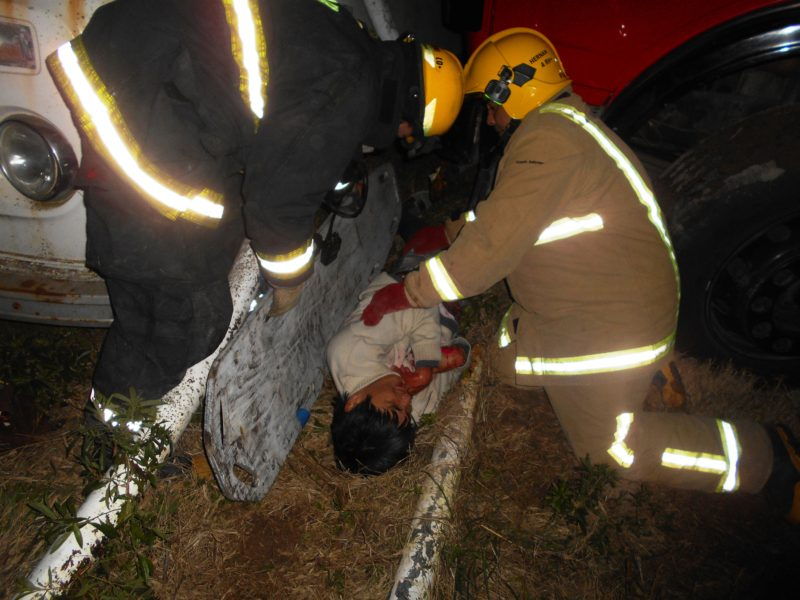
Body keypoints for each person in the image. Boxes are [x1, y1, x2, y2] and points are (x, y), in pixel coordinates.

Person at [360, 28, 800, 522]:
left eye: (489, 104)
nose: (488, 116)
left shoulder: (546, 142)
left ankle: (770, 458)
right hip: (608, 303)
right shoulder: (561, 130)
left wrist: (410, 291)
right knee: (505, 363)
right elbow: (510, 216)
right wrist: (448, 230)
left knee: (613, 454)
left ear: (511, 90)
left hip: (612, 324)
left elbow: (490, 250)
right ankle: (645, 374)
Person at [45, 0, 464, 412]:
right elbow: (276, 204)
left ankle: (127, 380)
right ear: (410, 107)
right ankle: (118, 432)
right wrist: (291, 277)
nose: (398, 135)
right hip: (144, 86)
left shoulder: (351, 47)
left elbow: (284, 131)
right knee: (190, 310)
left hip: (146, 60)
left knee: (203, 242)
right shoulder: (349, 84)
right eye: (407, 131)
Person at [327, 270, 469, 474]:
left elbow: (418, 306)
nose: (407, 401)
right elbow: (461, 361)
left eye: (394, 405)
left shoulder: (349, 353)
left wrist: (426, 363)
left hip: (412, 280)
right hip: (449, 314)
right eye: (408, 410)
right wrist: (457, 357)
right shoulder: (408, 415)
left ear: (355, 402)